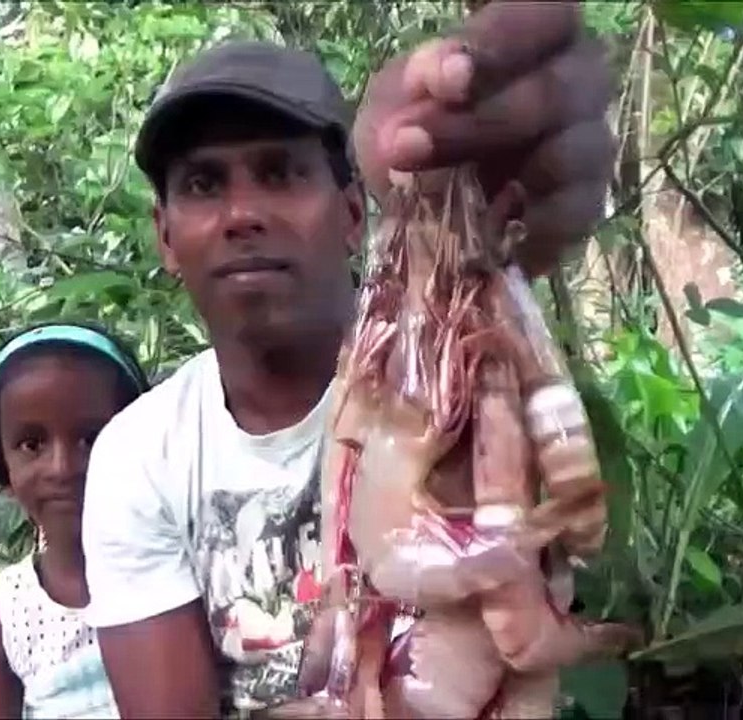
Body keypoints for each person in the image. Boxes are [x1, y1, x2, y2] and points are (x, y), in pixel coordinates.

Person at [80, 3, 615, 717]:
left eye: (280, 172)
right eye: (205, 184)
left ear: (354, 214)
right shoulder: (140, 456)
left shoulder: (463, 374)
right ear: (166, 238)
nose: (242, 213)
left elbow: (566, 516)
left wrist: (444, 155)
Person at [0, 322, 151, 719]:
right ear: (3, 466)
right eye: (32, 444)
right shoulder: (5, 625)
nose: (62, 468)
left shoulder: (192, 569)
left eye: (93, 438)